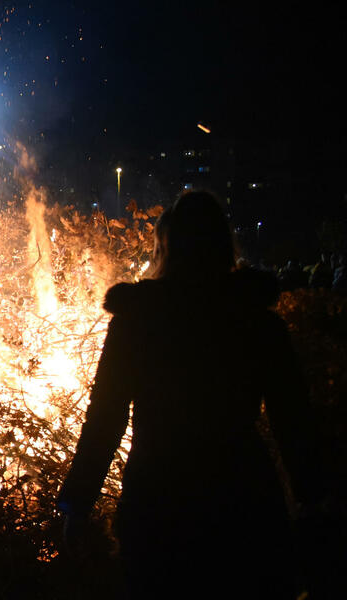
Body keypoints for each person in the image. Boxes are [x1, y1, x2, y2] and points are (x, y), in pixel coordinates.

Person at [57, 192, 320, 599]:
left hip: (159, 498)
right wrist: (314, 500)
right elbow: (294, 419)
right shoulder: (256, 320)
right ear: (223, 245)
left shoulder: (136, 322)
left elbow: (105, 418)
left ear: (166, 245)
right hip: (242, 500)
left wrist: (78, 503)